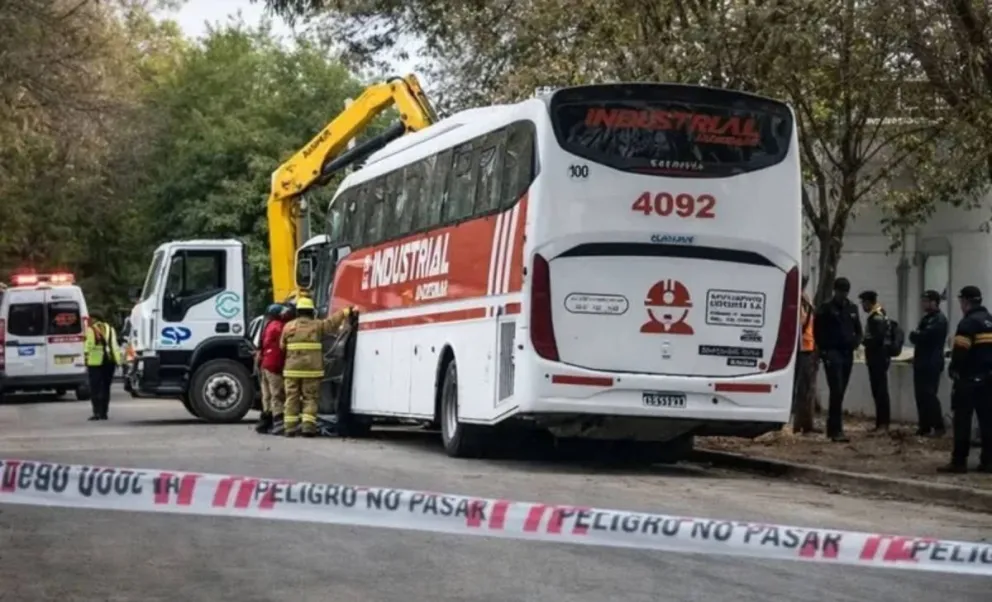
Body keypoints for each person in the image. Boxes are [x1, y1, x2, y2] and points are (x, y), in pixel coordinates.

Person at [280, 296, 354, 437]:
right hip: (311, 370)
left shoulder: (288, 326)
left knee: (291, 397)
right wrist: (345, 312)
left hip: (292, 370)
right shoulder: (317, 325)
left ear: (298, 311)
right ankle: (308, 427)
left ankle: (289, 428)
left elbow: (282, 346)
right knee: (310, 397)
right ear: (311, 312)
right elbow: (331, 323)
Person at [939, 286, 992, 473]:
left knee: (962, 421)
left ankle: (959, 461)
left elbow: (961, 352)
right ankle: (988, 461)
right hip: (989, 381)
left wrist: (954, 370)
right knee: (987, 422)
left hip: (968, 381)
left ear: (966, 302)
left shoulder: (968, 324)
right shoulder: (989, 321)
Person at [813, 277, 862, 442]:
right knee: (836, 389)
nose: (843, 294)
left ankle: (833, 428)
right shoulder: (826, 308)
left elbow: (858, 330)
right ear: (835, 291)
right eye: (841, 291)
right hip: (832, 352)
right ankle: (835, 429)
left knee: (841, 391)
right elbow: (817, 330)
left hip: (847, 353)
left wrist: (855, 343)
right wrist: (824, 351)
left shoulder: (852, 308)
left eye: (845, 291)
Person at [909, 290, 948, 437]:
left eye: (926, 301)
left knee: (929, 394)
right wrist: (917, 336)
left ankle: (938, 426)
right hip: (921, 361)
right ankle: (924, 425)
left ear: (934, 302)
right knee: (920, 395)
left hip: (931, 362)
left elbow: (924, 337)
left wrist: (917, 335)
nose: (923, 303)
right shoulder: (926, 319)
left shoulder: (939, 320)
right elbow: (915, 336)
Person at [857, 290, 892, 431]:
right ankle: (880, 423)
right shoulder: (876, 315)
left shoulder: (877, 318)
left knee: (880, 391)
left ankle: (883, 423)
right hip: (876, 358)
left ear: (868, 302)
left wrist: (864, 341)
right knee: (877, 391)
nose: (862, 306)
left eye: (863, 303)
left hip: (878, 359)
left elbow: (877, 339)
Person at [792, 275, 818, 434]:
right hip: (803, 348)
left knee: (806, 388)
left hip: (808, 346)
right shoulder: (799, 300)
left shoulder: (804, 299)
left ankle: (804, 423)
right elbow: (800, 322)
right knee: (802, 388)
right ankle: (799, 425)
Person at [256, 304, 288, 435]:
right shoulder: (279, 326)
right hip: (274, 365)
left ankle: (265, 422)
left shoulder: (268, 325)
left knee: (267, 395)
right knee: (277, 394)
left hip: (265, 364)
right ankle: (278, 422)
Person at [83, 314, 121, 421]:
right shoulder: (110, 329)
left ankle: (96, 412)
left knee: (95, 388)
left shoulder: (91, 330)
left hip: (95, 362)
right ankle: (104, 413)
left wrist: (85, 358)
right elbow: (114, 344)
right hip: (110, 361)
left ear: (95, 319)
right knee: (105, 388)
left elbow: (88, 346)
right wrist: (118, 360)